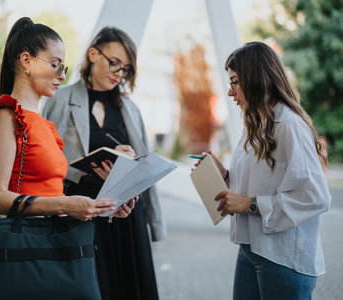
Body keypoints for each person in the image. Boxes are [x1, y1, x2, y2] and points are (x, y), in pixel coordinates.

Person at [0, 17, 137, 294]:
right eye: (54, 65)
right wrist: (65, 203)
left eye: (62, 67)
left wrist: (105, 209)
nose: (62, 75)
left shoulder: (42, 123)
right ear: (26, 61)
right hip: (27, 250)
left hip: (54, 245)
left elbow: (52, 192)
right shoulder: (7, 118)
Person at [196, 41, 331, 300]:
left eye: (235, 82)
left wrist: (250, 205)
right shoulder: (255, 126)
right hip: (250, 249)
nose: (230, 92)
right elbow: (261, 182)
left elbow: (316, 197)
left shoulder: (289, 126)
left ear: (256, 79)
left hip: (283, 258)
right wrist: (224, 175)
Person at [43, 27, 165, 300]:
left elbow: (145, 162)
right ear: (93, 54)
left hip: (127, 215)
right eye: (114, 63)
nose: (119, 74)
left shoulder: (130, 108)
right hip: (81, 212)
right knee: (94, 286)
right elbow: (47, 160)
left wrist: (127, 164)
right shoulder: (60, 99)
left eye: (126, 69)